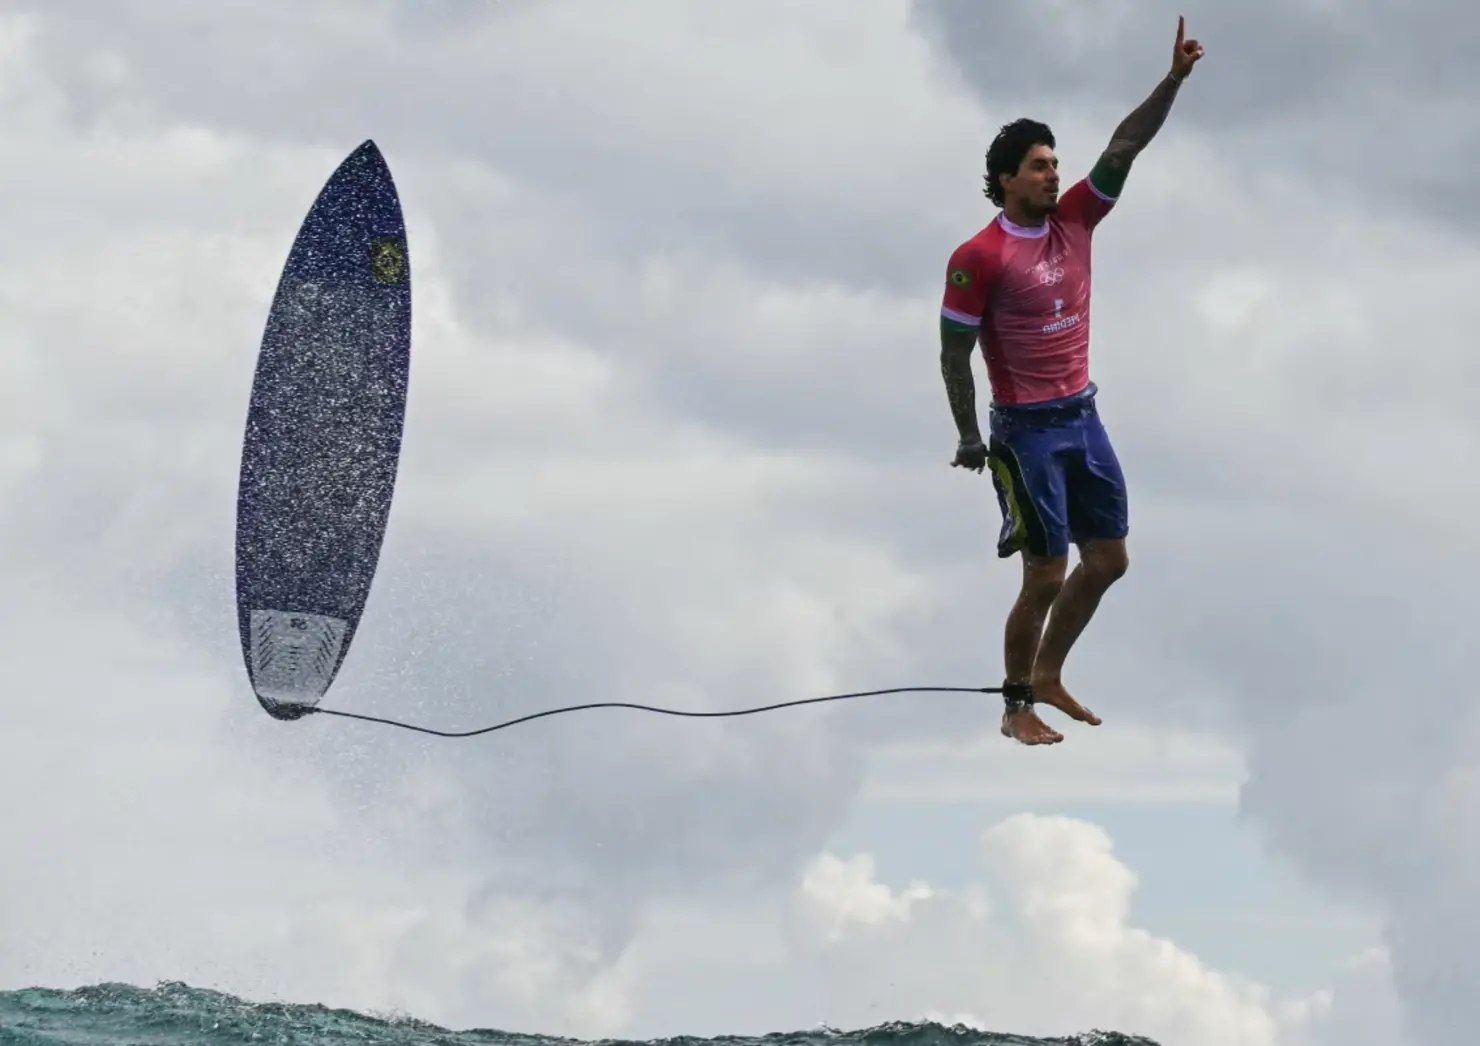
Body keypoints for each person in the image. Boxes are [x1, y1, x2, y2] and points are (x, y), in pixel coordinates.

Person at [938, 17, 1205, 746]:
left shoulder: (1077, 220)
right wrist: (968, 436)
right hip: (1025, 433)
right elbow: (953, 351)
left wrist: (1173, 80)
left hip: (1082, 416)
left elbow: (1125, 145)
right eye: (1038, 166)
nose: (1053, 174)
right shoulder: (978, 256)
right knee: (1047, 573)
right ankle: (1015, 702)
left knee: (1110, 560)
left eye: (1055, 163)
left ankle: (1050, 671)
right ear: (1005, 180)